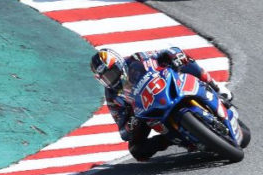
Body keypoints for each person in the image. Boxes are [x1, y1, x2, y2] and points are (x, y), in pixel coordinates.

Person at [90, 46, 241, 161]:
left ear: (119, 63)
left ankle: (214, 85)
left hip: (166, 87)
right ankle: (170, 138)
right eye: (106, 78)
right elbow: (123, 132)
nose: (112, 79)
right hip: (147, 111)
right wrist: (132, 122)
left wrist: (173, 55)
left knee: (185, 61)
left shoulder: (137, 59)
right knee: (137, 151)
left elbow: (163, 53)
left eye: (112, 72)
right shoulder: (112, 97)